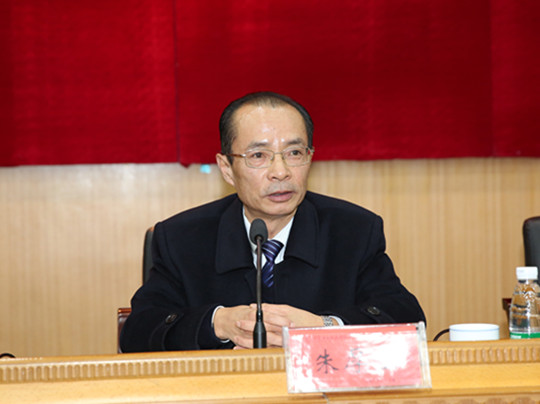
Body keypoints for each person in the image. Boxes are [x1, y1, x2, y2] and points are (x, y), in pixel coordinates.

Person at [120, 91, 425, 352]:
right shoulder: (181, 239)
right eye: (258, 156)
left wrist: (324, 327)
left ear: (310, 157)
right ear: (226, 168)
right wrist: (217, 323)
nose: (280, 172)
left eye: (294, 153)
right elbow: (139, 332)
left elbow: (407, 321)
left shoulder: (354, 231)